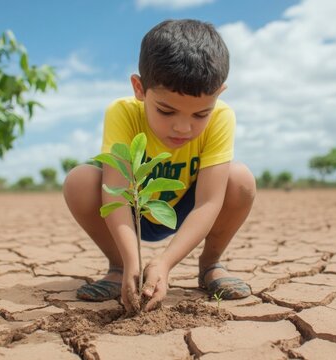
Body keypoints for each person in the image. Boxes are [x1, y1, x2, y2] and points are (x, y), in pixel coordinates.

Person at [63, 19, 256, 313]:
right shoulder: (123, 113)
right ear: (139, 88)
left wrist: (164, 263)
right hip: (134, 206)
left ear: (219, 92)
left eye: (201, 114)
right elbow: (115, 194)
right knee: (80, 180)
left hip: (184, 209)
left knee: (240, 180)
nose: (183, 127)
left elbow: (209, 202)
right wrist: (131, 260)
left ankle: (211, 264)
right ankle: (119, 268)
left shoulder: (222, 117)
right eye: (166, 110)